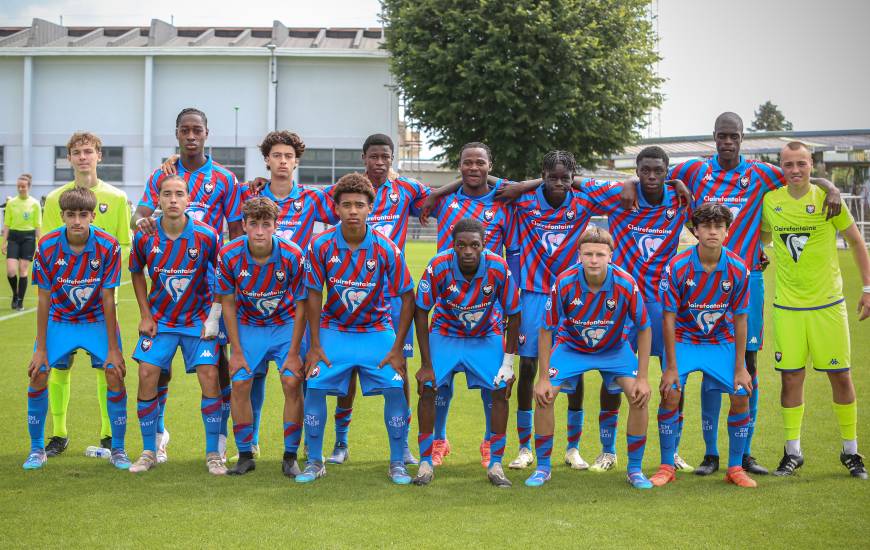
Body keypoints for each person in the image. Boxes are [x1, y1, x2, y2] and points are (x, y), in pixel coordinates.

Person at [621, 111, 841, 476]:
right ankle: (710, 453)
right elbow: (655, 177)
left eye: (733, 136)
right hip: (698, 283)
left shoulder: (759, 172)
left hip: (745, 278)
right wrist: (631, 180)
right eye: (722, 136)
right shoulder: (694, 170)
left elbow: (797, 176)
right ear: (714, 137)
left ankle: (746, 453)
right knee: (706, 371)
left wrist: (829, 186)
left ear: (742, 138)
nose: (727, 142)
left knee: (746, 366)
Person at [133, 107, 243, 464]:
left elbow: (237, 231)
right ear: (177, 134)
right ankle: (157, 440)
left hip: (208, 291)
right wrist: (144, 224)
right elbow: (139, 217)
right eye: (185, 130)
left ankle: (219, 444)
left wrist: (233, 280)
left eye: (197, 130)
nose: (191, 136)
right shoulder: (161, 175)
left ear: (207, 134)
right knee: (156, 371)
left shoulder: (225, 179)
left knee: (217, 368)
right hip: (166, 282)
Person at [224, 130, 337, 464]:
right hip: (250, 304)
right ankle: (249, 445)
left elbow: (350, 202)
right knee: (247, 380)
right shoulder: (249, 193)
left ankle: (299, 447)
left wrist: (385, 176)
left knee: (295, 380)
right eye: (277, 156)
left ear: (296, 161)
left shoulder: (313, 198)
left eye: (288, 156)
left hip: (290, 305)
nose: (283, 161)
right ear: (267, 160)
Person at [297, 173, 415, 484]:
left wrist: (398, 347)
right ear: (335, 208)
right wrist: (315, 345)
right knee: (315, 385)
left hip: (376, 332)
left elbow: (408, 296)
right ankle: (313, 460)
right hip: (333, 331)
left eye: (359, 205)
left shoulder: (386, 248)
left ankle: (397, 461)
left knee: (395, 386)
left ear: (369, 209)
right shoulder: (320, 245)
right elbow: (312, 293)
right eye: (346, 204)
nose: (352, 210)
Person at [761, 141, 869, 479]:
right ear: (781, 166)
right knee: (791, 378)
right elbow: (762, 237)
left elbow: (855, 241)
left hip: (828, 306)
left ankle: (851, 451)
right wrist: (760, 253)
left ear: (812, 165)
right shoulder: (771, 202)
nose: (795, 170)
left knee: (841, 376)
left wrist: (867, 288)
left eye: (801, 164)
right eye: (788, 164)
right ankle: (792, 452)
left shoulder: (828, 200)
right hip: (788, 308)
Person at [505, 151, 616, 472]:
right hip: (533, 295)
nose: (557, 184)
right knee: (528, 368)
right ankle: (525, 448)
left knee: (573, 368)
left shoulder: (582, 202)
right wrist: (525, 185)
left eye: (564, 179)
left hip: (572, 296)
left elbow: (619, 192)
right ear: (541, 176)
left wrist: (576, 183)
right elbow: (489, 183)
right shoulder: (524, 201)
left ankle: (573, 447)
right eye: (550, 177)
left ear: (572, 179)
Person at [588, 146, 693, 473]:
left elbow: (715, 218)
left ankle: (672, 451)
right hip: (622, 304)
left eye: (658, 171)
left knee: (673, 378)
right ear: (636, 170)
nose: (650, 176)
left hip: (666, 304)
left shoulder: (679, 200)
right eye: (644, 170)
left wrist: (677, 184)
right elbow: (571, 182)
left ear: (666, 171)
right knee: (613, 379)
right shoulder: (619, 195)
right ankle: (608, 451)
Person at [526, 227, 652, 489]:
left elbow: (644, 328)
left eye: (599, 254)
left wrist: (643, 377)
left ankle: (635, 469)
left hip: (614, 349)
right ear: (579, 256)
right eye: (588, 254)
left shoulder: (626, 283)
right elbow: (546, 330)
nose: (594, 260)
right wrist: (542, 378)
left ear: (610, 256)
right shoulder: (564, 282)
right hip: (571, 347)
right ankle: (543, 467)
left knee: (639, 398)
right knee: (544, 395)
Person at [421, 142, 518, 468]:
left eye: (480, 163)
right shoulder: (445, 201)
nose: (473, 168)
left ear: (490, 167)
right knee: (439, 385)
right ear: (459, 165)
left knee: (492, 385)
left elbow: (513, 252)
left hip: (486, 309)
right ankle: (439, 440)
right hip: (448, 309)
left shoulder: (504, 204)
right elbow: (422, 199)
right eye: (467, 163)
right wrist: (437, 192)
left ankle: (491, 444)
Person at [23, 187, 129, 470]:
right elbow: (43, 300)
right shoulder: (46, 247)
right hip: (60, 321)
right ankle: (37, 450)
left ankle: (118, 449)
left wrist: (114, 350)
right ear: (62, 216)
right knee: (38, 374)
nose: (77, 221)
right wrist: (41, 349)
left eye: (83, 214)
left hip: (95, 320)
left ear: (93, 216)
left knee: (114, 374)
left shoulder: (109, 246)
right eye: (71, 215)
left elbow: (109, 299)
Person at [651, 202, 756, 488]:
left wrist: (741, 367)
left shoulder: (737, 268)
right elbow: (668, 319)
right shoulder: (677, 266)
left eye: (718, 227)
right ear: (695, 231)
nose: (713, 232)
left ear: (726, 230)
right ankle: (666, 465)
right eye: (706, 226)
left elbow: (741, 320)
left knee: (740, 393)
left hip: (720, 341)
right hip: (684, 339)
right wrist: (670, 367)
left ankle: (735, 468)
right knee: (670, 393)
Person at [41, 132, 132, 457]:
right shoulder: (54, 200)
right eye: (77, 152)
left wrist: (97, 268)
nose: (83, 157)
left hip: (102, 304)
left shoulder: (117, 198)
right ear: (69, 158)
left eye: (88, 151)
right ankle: (59, 434)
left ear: (99, 156)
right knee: (59, 368)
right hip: (63, 306)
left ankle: (109, 435)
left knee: (105, 368)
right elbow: (48, 244)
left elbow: (124, 244)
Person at [127, 175, 224, 475]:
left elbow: (222, 276)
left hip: (197, 321)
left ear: (187, 200)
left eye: (178, 194)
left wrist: (214, 318)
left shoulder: (206, 235)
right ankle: (148, 450)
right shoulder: (145, 235)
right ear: (157, 199)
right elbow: (136, 272)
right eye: (166, 194)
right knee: (147, 373)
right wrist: (145, 314)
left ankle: (213, 453)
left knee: (210, 376)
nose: (172, 200)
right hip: (162, 321)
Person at [413, 218, 521, 487]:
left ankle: (495, 461)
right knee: (428, 386)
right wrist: (426, 363)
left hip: (485, 335)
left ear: (484, 245)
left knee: (500, 387)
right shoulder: (438, 265)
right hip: (446, 333)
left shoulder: (498, 266)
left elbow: (515, 314)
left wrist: (508, 363)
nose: (468, 251)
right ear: (453, 245)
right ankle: (426, 459)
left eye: (475, 245)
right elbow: (421, 311)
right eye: (461, 245)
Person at [216, 197, 308, 477]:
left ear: (275, 226)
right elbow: (227, 303)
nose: (259, 231)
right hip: (248, 326)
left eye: (266, 225)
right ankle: (245, 455)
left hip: (285, 325)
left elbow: (303, 303)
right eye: (253, 224)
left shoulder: (292, 254)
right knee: (240, 383)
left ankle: (290, 456)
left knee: (292, 382)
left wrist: (293, 352)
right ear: (243, 225)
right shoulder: (229, 254)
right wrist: (237, 350)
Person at [4, 173, 41, 310]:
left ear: (29, 187)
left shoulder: (35, 204)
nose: (20, 189)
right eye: (18, 186)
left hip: (28, 238)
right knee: (11, 271)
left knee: (23, 270)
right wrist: (4, 242)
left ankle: (20, 301)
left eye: (23, 186)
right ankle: (15, 294)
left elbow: (37, 226)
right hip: (13, 237)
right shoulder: (11, 203)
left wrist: (40, 244)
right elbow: (7, 224)